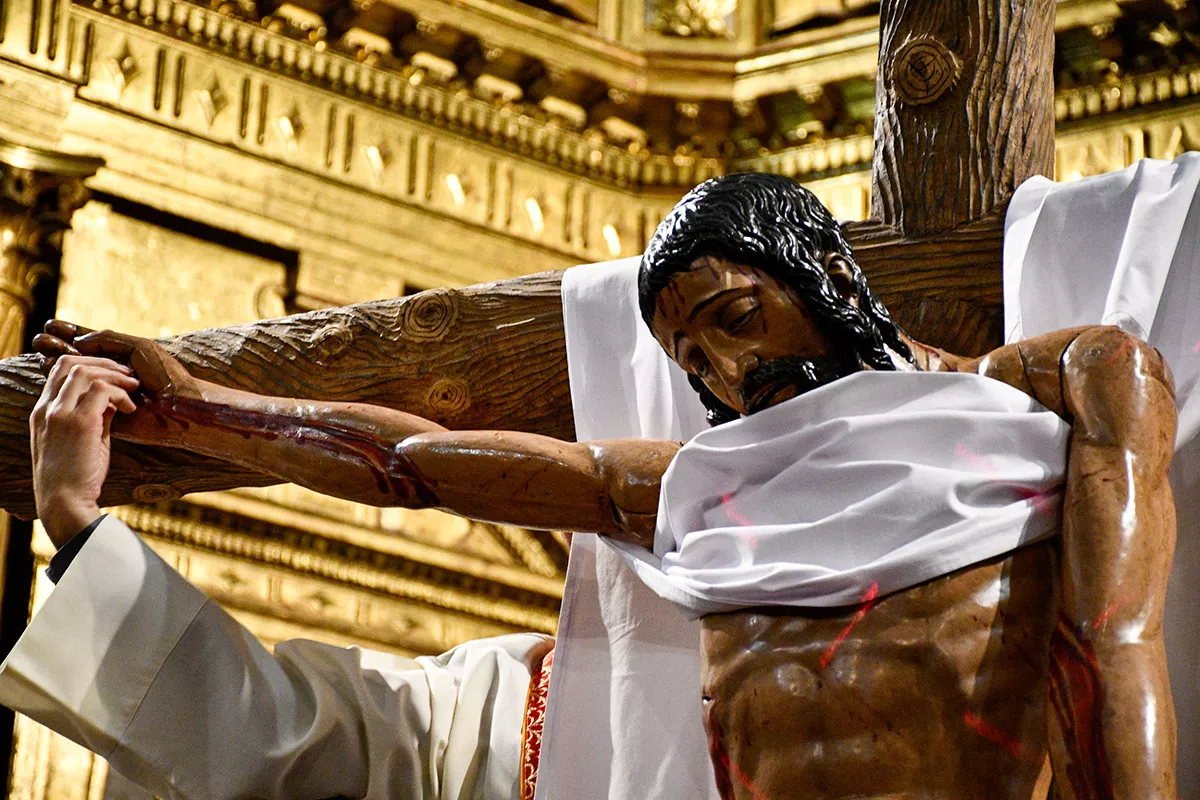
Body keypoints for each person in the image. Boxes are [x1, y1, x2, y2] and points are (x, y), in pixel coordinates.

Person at [3, 173, 1179, 798]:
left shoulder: (1047, 398)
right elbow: (405, 466)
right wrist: (192, 410)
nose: (728, 372)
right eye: (694, 362)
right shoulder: (683, 497)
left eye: (733, 320)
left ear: (821, 272)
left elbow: (1110, 640)